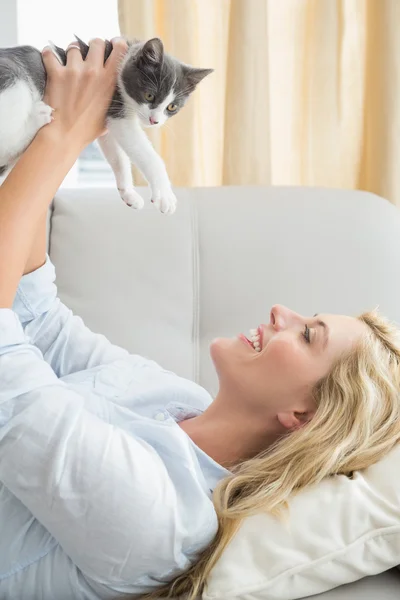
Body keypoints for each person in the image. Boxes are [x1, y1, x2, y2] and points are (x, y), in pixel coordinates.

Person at [0, 38, 399, 600]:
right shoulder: (174, 398)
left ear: (302, 414)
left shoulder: (161, 519)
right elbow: (38, 322)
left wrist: (64, 137)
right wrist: (49, 125)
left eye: (308, 334)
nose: (281, 311)